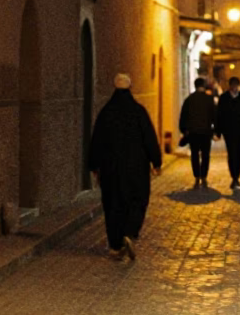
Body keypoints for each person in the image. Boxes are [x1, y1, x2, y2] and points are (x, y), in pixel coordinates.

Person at [89, 73, 162, 261]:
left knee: (113, 203)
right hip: (136, 167)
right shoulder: (138, 111)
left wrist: (93, 164)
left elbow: (97, 140)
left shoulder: (106, 112)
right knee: (137, 200)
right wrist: (156, 161)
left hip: (111, 168)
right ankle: (130, 232)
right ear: (130, 88)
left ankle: (115, 244)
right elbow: (149, 138)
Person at [215, 76, 240, 188]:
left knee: (239, 153)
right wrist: (218, 131)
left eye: (236, 85)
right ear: (230, 86)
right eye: (232, 85)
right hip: (228, 131)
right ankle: (234, 176)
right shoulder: (224, 98)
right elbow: (219, 115)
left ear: (238, 86)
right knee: (231, 153)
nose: (234, 87)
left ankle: (237, 175)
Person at [179, 77, 217, 186]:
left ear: (195, 86)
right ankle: (204, 176)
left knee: (194, 155)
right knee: (205, 154)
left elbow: (183, 116)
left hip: (193, 132)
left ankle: (196, 176)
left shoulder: (189, 99)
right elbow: (215, 115)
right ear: (204, 86)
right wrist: (216, 130)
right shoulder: (209, 99)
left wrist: (184, 130)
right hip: (206, 132)